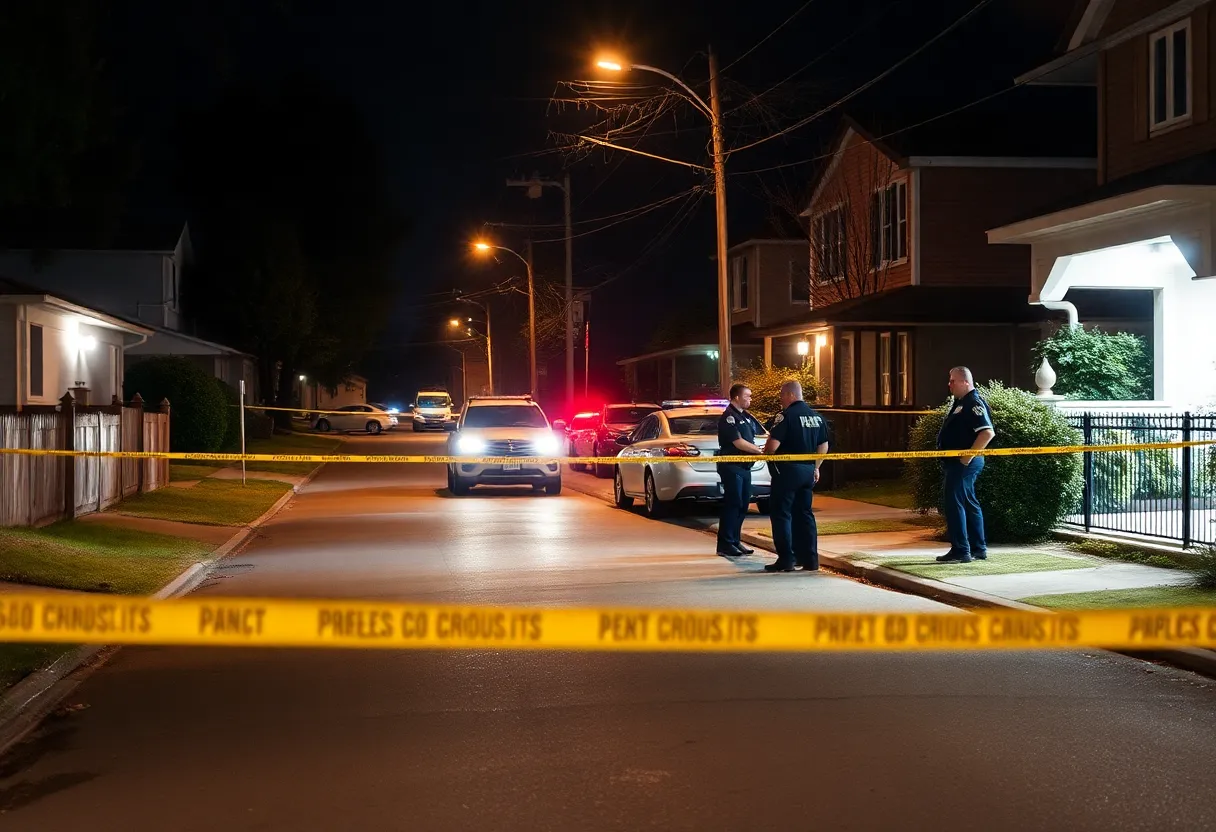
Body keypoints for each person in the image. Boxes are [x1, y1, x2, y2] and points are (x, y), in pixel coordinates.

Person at [763, 381, 830, 573]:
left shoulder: (785, 417)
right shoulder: (816, 417)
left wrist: (765, 452)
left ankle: (786, 559)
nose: (781, 401)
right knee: (805, 514)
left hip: (787, 472)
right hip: (808, 471)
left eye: (782, 396)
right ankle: (810, 560)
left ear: (790, 395)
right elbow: (823, 445)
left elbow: (773, 447)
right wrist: (816, 467)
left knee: (781, 514)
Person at [935, 366, 996, 564]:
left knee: (954, 504)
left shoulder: (973, 403)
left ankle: (961, 550)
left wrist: (966, 458)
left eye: (953, 380)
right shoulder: (961, 402)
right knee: (969, 503)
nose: (949, 384)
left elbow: (987, 432)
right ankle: (979, 548)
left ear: (965, 382)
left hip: (963, 464)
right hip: (960, 463)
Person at [716, 383, 765, 557]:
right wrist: (759, 451)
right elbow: (739, 443)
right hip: (732, 466)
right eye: (747, 396)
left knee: (743, 505)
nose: (750, 399)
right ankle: (725, 544)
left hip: (744, 467)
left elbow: (755, 436)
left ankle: (735, 541)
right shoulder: (729, 417)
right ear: (737, 397)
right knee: (733, 504)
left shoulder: (746, 416)